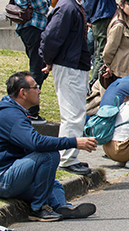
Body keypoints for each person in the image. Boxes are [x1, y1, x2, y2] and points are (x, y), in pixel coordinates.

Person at [0, 72, 98, 221]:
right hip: (5, 179)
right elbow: (36, 142)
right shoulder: (10, 115)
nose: (39, 91)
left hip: (15, 174)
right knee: (49, 155)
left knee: (53, 184)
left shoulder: (15, 111)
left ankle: (61, 207)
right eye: (36, 87)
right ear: (23, 93)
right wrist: (74, 142)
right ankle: (38, 209)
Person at [39, 0, 100, 176]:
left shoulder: (73, 5)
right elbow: (50, 38)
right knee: (72, 115)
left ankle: (69, 156)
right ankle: (66, 158)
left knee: (76, 114)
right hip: (69, 66)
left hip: (74, 64)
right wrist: (48, 59)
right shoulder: (67, 8)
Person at [12, 0, 50, 125]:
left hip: (29, 28)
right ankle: (31, 111)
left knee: (38, 67)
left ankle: (28, 108)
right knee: (37, 69)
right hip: (33, 29)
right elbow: (44, 6)